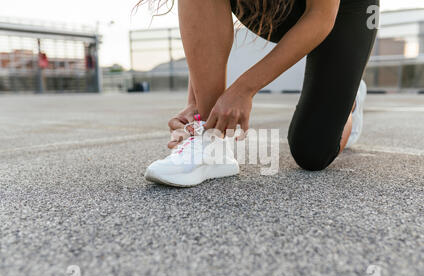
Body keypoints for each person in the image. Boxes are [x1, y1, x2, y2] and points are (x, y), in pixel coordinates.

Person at [144, 0, 378, 187]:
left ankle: (350, 100)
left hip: (344, 11)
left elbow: (320, 16)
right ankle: (210, 144)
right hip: (278, 7)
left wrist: (243, 89)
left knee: (312, 152)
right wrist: (197, 103)